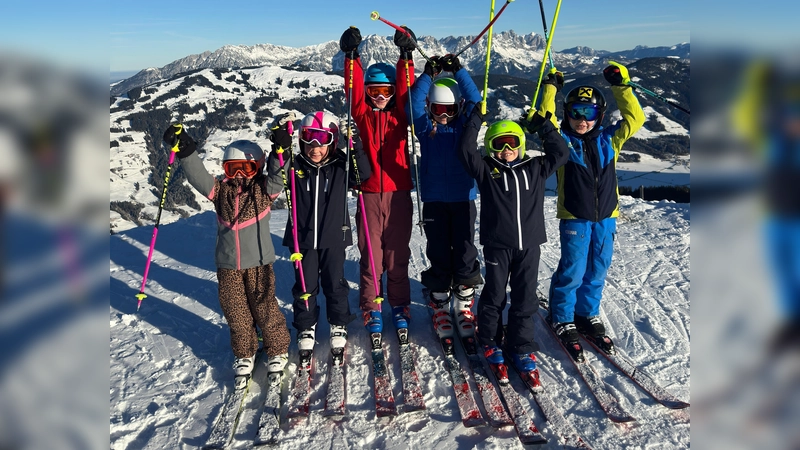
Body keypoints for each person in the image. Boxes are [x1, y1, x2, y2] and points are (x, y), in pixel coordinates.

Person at [162, 124, 292, 389]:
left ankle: (277, 347)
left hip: (258, 262)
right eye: (234, 169)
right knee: (235, 310)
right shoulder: (220, 192)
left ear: (258, 168)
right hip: (228, 264)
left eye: (248, 168)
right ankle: (245, 351)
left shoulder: (263, 191)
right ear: (225, 170)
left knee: (264, 305)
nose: (241, 175)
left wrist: (282, 151)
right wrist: (186, 150)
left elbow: (279, 178)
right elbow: (198, 177)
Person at [533, 61, 645, 362]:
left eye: (590, 113)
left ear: (600, 116)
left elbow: (636, 118)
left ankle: (587, 313)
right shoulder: (562, 143)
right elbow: (544, 119)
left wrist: (622, 85)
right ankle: (562, 316)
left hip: (607, 217)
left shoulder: (610, 140)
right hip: (575, 216)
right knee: (572, 269)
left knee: (597, 267)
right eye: (576, 113)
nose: (582, 120)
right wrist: (550, 88)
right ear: (567, 114)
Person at [457, 105, 569, 378]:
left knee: (525, 297)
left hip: (530, 244)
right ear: (490, 147)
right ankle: (491, 341)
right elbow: (465, 151)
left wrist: (543, 126)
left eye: (513, 143)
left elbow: (561, 153)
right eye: (499, 144)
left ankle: (520, 345)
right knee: (495, 294)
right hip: (498, 244)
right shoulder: (486, 170)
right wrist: (475, 120)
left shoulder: (536, 167)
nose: (507, 149)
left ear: (521, 144)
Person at [265, 112, 371, 356]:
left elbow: (361, 174)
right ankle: (306, 325)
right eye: (309, 138)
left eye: (322, 140)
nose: (315, 147)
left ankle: (338, 323)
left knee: (335, 282)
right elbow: (276, 175)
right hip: (302, 238)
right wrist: (279, 147)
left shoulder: (340, 165)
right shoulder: (296, 165)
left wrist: (355, 145)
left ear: (332, 141)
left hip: (333, 235)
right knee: (305, 284)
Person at [339, 25, 416, 334]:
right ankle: (372, 305)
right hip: (369, 193)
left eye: (386, 92)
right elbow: (353, 89)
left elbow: (407, 86)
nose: (381, 97)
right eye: (375, 92)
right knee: (371, 255)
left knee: (397, 252)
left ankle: (399, 303)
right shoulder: (362, 114)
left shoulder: (401, 115)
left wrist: (406, 55)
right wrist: (352, 57)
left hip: (399, 192)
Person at [407, 54, 483, 340]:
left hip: (464, 198)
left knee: (464, 250)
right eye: (437, 108)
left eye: (448, 109)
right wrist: (428, 75)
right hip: (435, 200)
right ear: (430, 107)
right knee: (438, 248)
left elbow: (477, 102)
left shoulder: (465, 126)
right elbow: (413, 106)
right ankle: (440, 300)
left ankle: (464, 303)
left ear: (458, 107)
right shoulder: (426, 130)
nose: (443, 114)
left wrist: (459, 71)